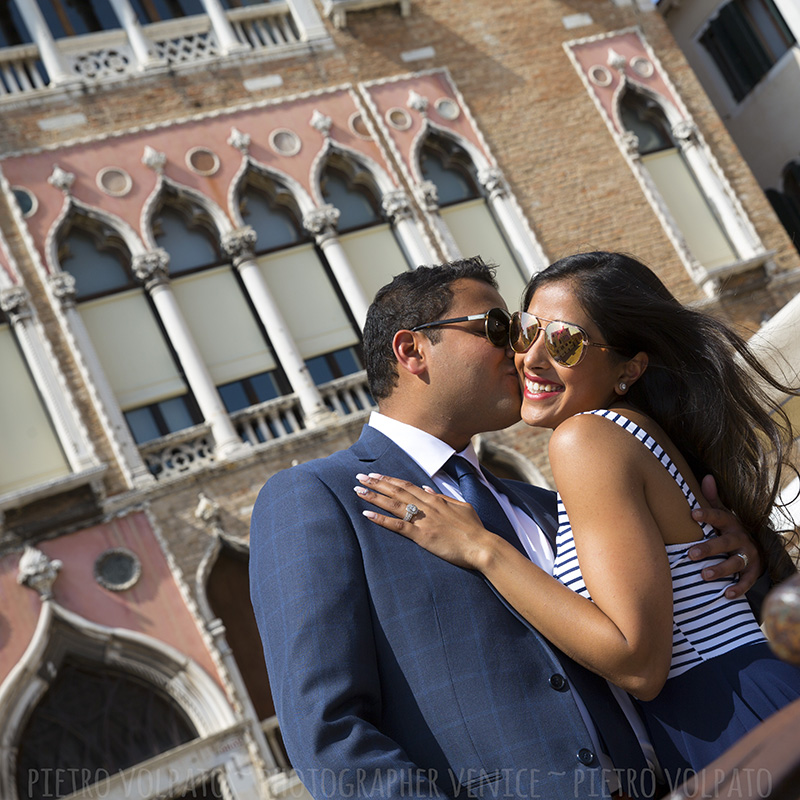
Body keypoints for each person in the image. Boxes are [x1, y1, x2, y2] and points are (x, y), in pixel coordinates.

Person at [250, 256, 763, 800]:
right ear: (411, 350)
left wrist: (726, 549)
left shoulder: (548, 503)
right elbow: (330, 737)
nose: (520, 349)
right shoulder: (316, 497)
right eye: (499, 328)